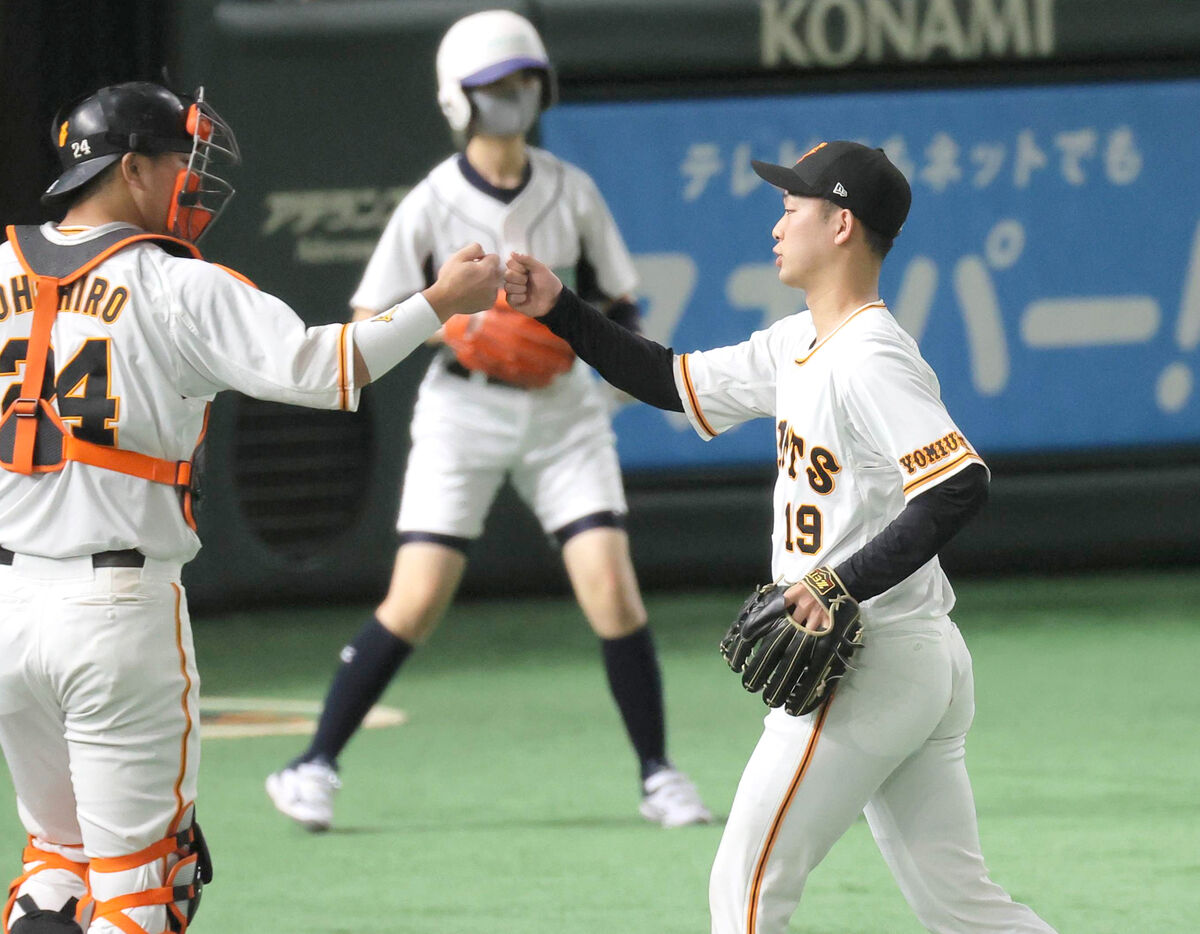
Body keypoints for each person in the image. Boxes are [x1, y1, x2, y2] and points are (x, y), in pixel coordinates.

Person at [504, 141, 1059, 933]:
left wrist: (837, 583)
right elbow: (669, 380)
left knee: (745, 893)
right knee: (961, 905)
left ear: (841, 225)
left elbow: (958, 484)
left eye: (793, 207)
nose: (777, 224)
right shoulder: (797, 340)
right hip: (914, 655)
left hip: (869, 660)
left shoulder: (870, 355)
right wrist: (560, 307)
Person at [0, 81, 501, 934]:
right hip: (114, 610)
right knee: (142, 890)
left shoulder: (5, 265)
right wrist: (440, 302)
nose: (190, 181)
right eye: (177, 161)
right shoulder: (174, 284)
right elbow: (328, 367)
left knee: (57, 864)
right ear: (130, 169)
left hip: (10, 604)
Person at [265, 9, 710, 833]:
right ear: (457, 99)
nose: (513, 95)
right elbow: (367, 314)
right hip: (461, 408)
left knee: (612, 589)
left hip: (563, 411)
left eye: (524, 80)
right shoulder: (433, 201)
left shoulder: (571, 189)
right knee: (417, 599)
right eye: (495, 85)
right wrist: (463, 327)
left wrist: (579, 341)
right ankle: (312, 763)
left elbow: (620, 303)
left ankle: (659, 774)